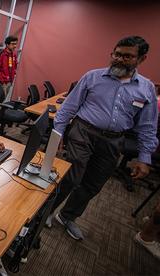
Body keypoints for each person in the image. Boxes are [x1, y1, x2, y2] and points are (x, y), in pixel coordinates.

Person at [48, 36, 159, 240]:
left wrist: (144, 158)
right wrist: (58, 135)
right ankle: (45, 213)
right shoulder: (93, 77)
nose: (119, 59)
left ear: (141, 59)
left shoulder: (146, 89)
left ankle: (67, 216)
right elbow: (69, 107)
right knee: (69, 177)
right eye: (116, 54)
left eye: (127, 56)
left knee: (93, 184)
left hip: (113, 141)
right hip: (83, 132)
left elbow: (148, 126)